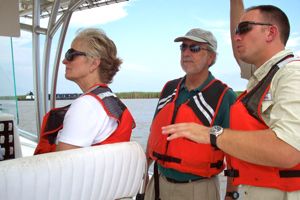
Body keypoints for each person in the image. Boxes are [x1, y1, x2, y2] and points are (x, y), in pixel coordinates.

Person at [162, 2, 300, 200]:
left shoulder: (293, 74)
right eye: (236, 31)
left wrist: (210, 133)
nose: (236, 37)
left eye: (244, 29)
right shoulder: (263, 74)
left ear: (270, 33)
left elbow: (289, 150)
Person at [145, 28, 237, 200]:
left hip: (198, 189)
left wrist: (231, 195)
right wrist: (143, 175)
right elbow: (153, 136)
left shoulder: (225, 97)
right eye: (183, 47)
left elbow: (235, 155)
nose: (186, 52)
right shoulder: (168, 89)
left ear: (211, 57)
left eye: (194, 48)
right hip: (158, 184)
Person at [34, 28, 135, 154]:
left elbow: (62, 165)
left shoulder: (86, 105)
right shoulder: (110, 101)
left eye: (71, 54)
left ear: (93, 63)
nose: (64, 61)